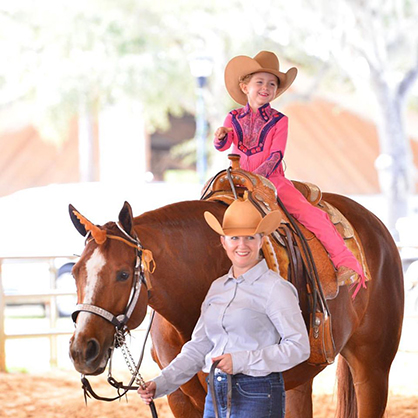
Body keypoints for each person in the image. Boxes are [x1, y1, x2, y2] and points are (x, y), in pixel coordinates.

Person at [138, 196, 310, 417]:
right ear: (223, 241)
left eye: (250, 237)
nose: (242, 245)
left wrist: (240, 360)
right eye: (234, 237)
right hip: (216, 394)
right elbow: (199, 346)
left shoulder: (275, 288)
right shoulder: (217, 288)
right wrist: (161, 383)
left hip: (258, 394)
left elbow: (299, 347)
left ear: (261, 240)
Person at [214, 51, 364, 286]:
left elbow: (276, 155)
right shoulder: (232, 117)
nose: (266, 87)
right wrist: (220, 137)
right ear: (245, 87)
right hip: (238, 179)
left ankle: (344, 261)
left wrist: (257, 179)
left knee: (311, 214)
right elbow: (223, 145)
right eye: (259, 82)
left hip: (272, 181)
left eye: (272, 84)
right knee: (208, 201)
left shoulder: (279, 120)